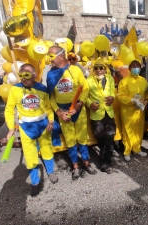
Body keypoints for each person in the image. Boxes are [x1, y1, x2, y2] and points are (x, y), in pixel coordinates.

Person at [5, 64, 58, 197]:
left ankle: (50, 172)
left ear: (34, 75)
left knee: (47, 150)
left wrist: (51, 121)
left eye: (27, 75)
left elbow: (49, 108)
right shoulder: (15, 90)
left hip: (43, 126)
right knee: (30, 156)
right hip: (26, 128)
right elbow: (9, 109)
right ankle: (35, 182)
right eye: (21, 76)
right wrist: (11, 128)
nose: (23, 79)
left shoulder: (42, 89)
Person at [47, 46, 96, 180]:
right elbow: (50, 97)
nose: (48, 59)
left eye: (51, 56)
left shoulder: (75, 70)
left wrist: (80, 104)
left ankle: (86, 163)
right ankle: (75, 166)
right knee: (70, 140)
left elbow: (85, 88)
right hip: (63, 112)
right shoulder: (51, 74)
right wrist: (59, 113)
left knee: (82, 138)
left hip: (78, 111)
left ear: (60, 56)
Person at [86, 57, 116, 174]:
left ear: (105, 69)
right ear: (93, 70)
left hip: (109, 112)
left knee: (110, 135)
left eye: (101, 68)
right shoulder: (88, 81)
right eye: (96, 68)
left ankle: (105, 163)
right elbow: (85, 97)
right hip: (96, 114)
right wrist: (90, 103)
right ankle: (106, 156)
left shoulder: (110, 78)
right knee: (100, 136)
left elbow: (113, 91)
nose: (99, 70)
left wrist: (113, 97)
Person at [118, 59, 148, 161]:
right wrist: (132, 100)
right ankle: (127, 150)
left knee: (139, 130)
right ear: (129, 69)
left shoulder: (143, 80)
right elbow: (120, 97)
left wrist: (146, 100)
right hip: (128, 111)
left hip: (139, 111)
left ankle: (137, 148)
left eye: (137, 66)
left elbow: (147, 93)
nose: (136, 68)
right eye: (133, 66)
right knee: (127, 130)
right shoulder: (124, 81)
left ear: (140, 68)